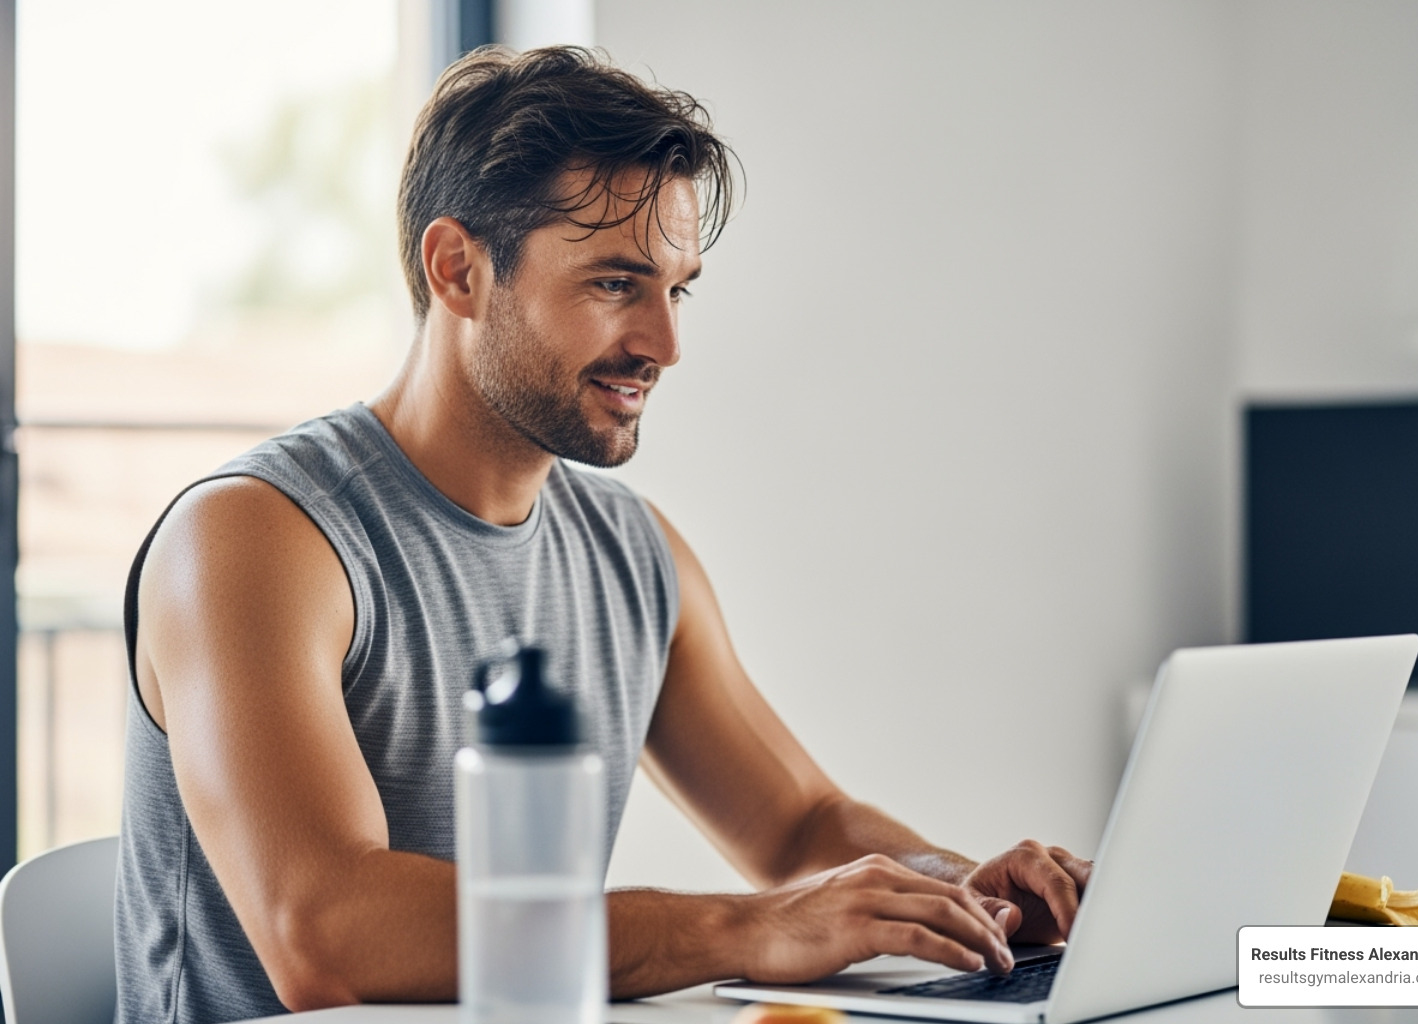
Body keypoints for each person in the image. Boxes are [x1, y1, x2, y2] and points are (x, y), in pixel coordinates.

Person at [116, 45, 1092, 1022]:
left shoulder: (632, 551)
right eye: (617, 284)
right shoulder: (253, 539)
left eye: (678, 289)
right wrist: (748, 927)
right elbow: (324, 933)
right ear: (458, 269)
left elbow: (800, 825)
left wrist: (972, 893)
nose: (666, 345)